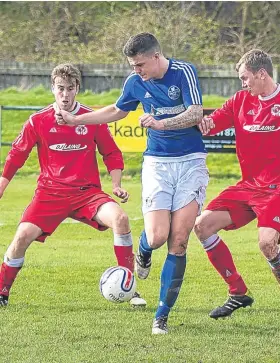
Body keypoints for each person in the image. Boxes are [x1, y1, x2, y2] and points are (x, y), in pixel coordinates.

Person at [56, 33, 208, 335]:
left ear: (156, 55)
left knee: (178, 239)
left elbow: (195, 112)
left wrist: (161, 123)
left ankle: (161, 316)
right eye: (133, 66)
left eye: (140, 65)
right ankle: (144, 252)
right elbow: (117, 111)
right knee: (156, 236)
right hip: (158, 165)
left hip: (191, 162)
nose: (137, 70)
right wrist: (76, 121)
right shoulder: (135, 82)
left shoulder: (184, 72)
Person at [194, 49, 280, 333]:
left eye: (245, 78)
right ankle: (238, 292)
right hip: (247, 187)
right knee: (202, 226)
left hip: (278, 190)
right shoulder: (240, 100)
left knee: (267, 244)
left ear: (261, 73)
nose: (243, 83)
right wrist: (199, 121)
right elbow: (213, 123)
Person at [0, 63, 146, 308]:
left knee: (120, 219)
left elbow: (111, 152)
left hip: (86, 193)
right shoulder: (38, 121)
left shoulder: (92, 119)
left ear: (77, 88)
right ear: (52, 89)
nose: (65, 94)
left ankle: (128, 287)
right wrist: (2, 184)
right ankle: (2, 292)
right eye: (60, 89)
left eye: (70, 88)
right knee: (22, 237)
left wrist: (117, 183)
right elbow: (17, 154)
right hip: (50, 194)